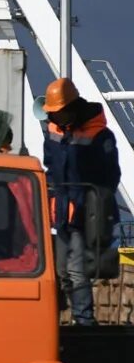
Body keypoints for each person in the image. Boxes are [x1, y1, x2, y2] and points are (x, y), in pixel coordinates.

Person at [41, 77, 122, 325]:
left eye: (58, 113)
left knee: (76, 271)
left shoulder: (100, 135)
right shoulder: (54, 131)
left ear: (71, 108)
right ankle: (69, 318)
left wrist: (96, 206)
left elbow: (111, 176)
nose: (54, 118)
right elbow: (50, 166)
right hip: (61, 212)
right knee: (62, 271)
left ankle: (84, 321)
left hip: (85, 213)